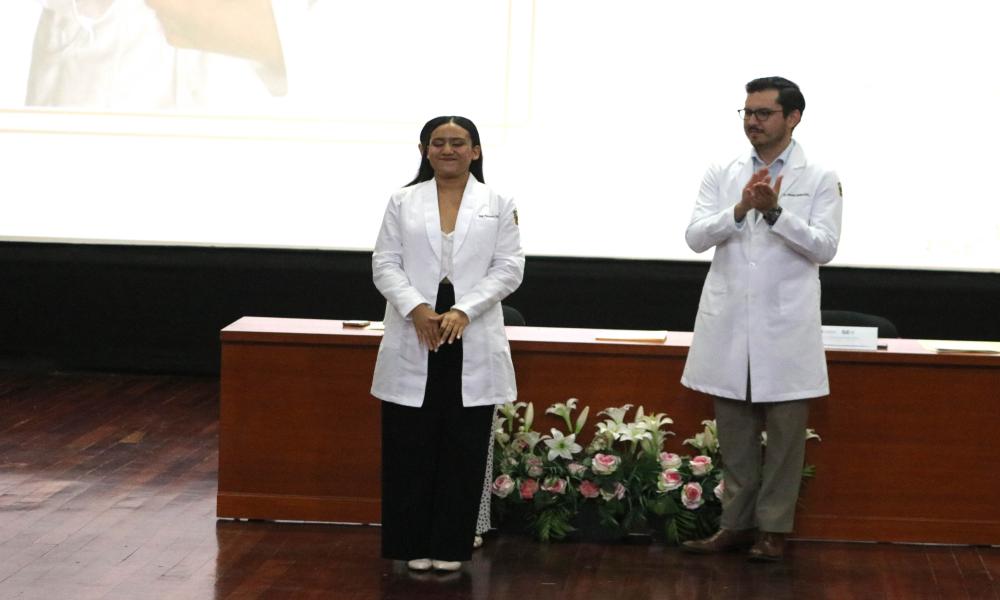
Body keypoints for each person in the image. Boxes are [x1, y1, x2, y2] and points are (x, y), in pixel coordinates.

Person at [679, 77, 842, 561]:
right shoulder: (723, 171)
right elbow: (694, 236)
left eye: (764, 113)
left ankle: (773, 531)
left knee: (787, 435)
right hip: (731, 321)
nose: (753, 121)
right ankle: (734, 525)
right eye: (747, 112)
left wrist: (775, 216)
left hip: (785, 324)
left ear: (792, 118)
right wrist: (741, 207)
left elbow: (825, 247)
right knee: (734, 432)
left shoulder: (819, 176)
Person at [371, 116, 524, 572]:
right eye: (439, 143)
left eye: (459, 143)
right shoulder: (402, 201)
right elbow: (385, 262)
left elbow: (509, 267)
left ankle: (450, 544)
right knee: (409, 442)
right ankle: (410, 542)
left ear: (475, 151)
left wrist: (464, 310)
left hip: (468, 330)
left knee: (462, 446)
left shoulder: (498, 202)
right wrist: (416, 308)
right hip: (416, 327)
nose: (448, 150)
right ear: (425, 150)